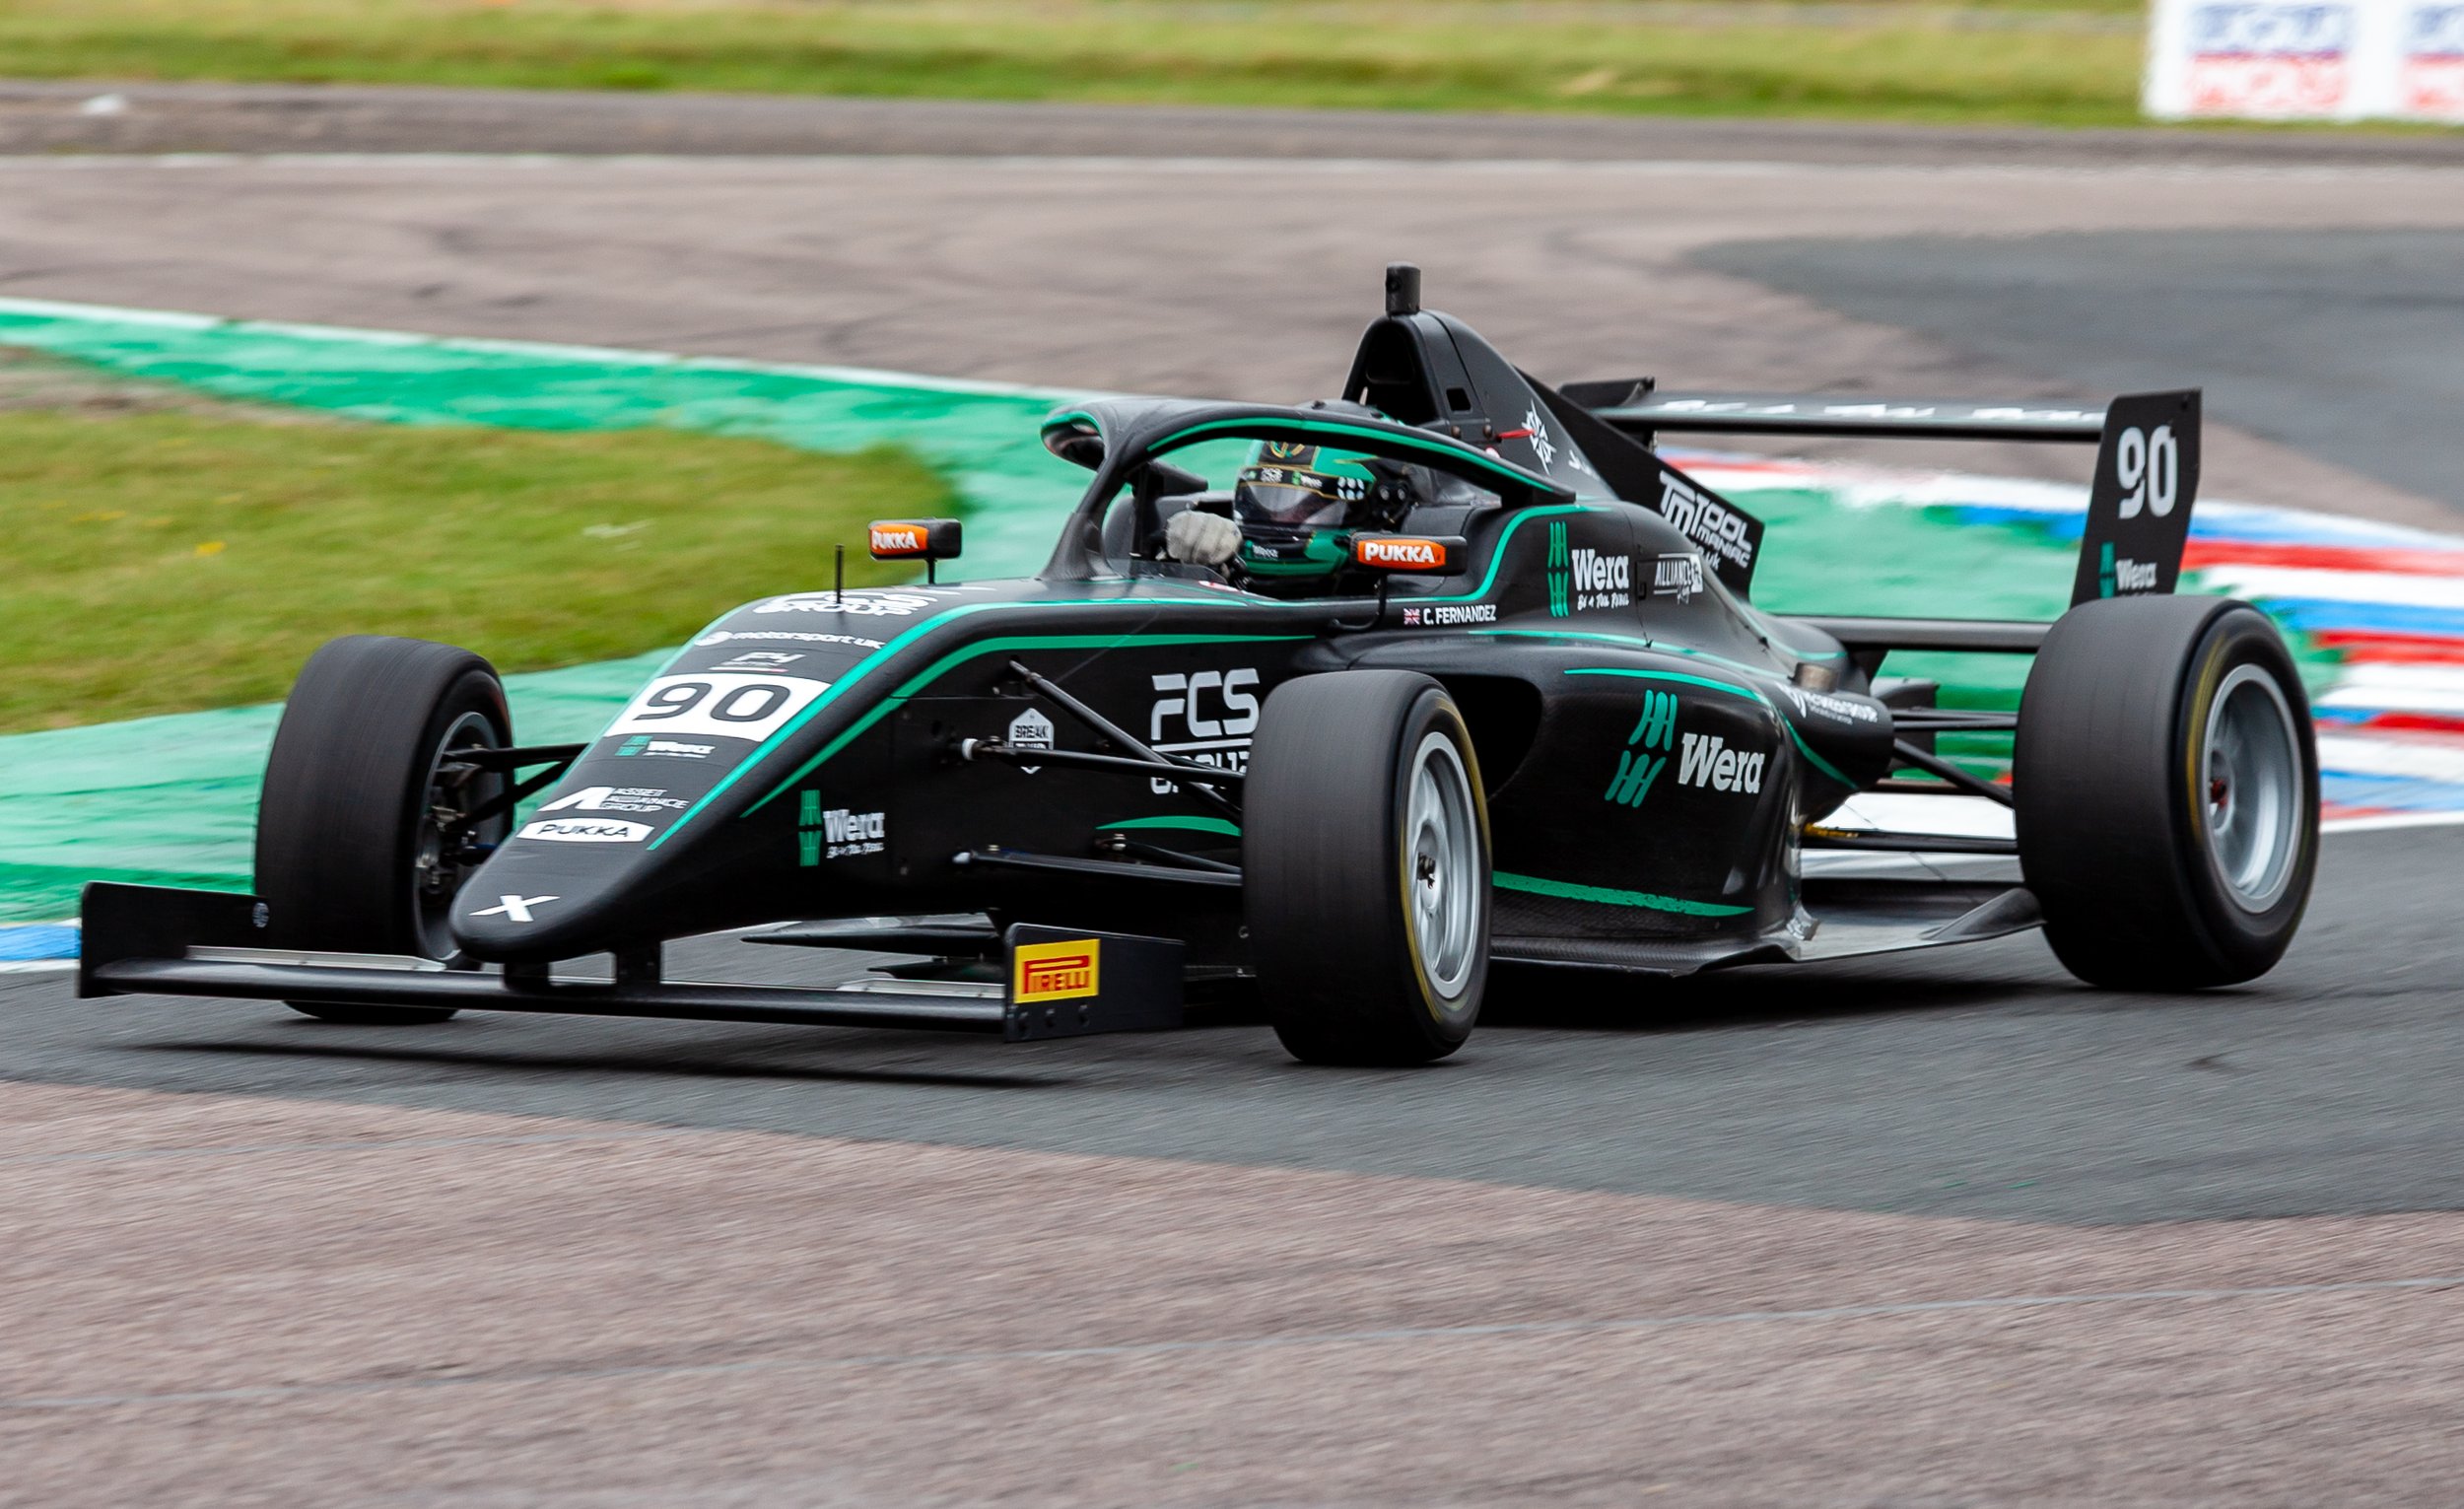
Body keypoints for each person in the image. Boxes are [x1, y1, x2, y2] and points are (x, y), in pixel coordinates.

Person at [1162, 438, 1432, 588]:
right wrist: (1192, 570)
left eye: (1308, 507)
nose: (1278, 519)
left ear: (1383, 510)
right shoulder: (1233, 570)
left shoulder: (1410, 596)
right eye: (1262, 502)